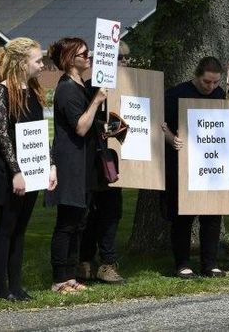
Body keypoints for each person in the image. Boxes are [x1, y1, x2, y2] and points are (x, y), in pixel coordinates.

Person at [0, 38, 58, 300]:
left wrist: (50, 165)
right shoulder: (0, 91)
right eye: (38, 60)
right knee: (5, 227)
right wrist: (16, 171)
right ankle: (2, 288)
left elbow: (39, 133)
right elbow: (3, 134)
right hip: (11, 172)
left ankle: (16, 285)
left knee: (21, 229)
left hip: (33, 169)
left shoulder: (34, 89)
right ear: (21, 62)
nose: (42, 65)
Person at [48, 37, 107, 293]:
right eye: (84, 55)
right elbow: (80, 127)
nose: (89, 58)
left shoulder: (79, 86)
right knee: (67, 222)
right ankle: (59, 278)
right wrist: (96, 101)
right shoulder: (67, 89)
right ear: (70, 58)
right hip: (70, 163)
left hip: (83, 163)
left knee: (79, 222)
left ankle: (70, 276)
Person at [161, 57, 227, 278]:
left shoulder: (219, 96)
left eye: (216, 82)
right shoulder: (177, 93)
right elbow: (159, 124)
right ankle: (182, 263)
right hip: (183, 165)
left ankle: (210, 264)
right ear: (197, 76)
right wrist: (171, 139)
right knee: (183, 216)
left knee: (212, 214)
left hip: (211, 165)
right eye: (207, 82)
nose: (211, 87)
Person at [77, 41, 131, 284]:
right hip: (93, 160)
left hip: (116, 163)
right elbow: (84, 124)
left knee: (111, 212)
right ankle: (85, 261)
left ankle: (107, 263)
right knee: (89, 214)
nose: (125, 62)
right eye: (120, 58)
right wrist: (107, 127)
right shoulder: (89, 88)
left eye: (127, 58)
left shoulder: (130, 88)